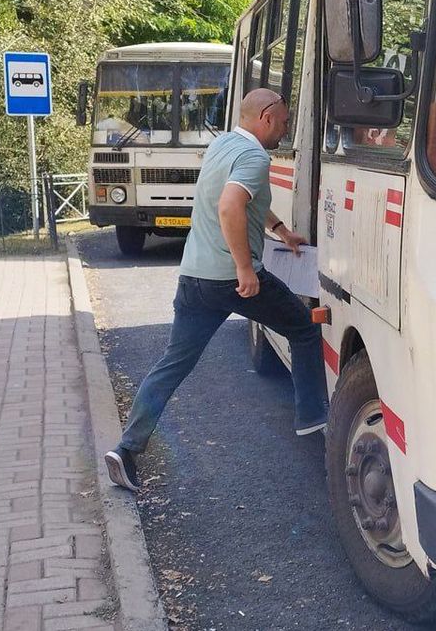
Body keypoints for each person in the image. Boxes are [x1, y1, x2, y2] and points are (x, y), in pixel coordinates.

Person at [104, 88, 327, 492]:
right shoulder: (257, 157)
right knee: (304, 329)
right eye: (283, 122)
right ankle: (315, 420)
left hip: (193, 277)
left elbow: (243, 200)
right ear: (265, 116)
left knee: (174, 363)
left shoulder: (223, 143)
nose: (285, 129)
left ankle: (126, 449)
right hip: (231, 279)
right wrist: (245, 268)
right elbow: (229, 206)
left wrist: (279, 230)